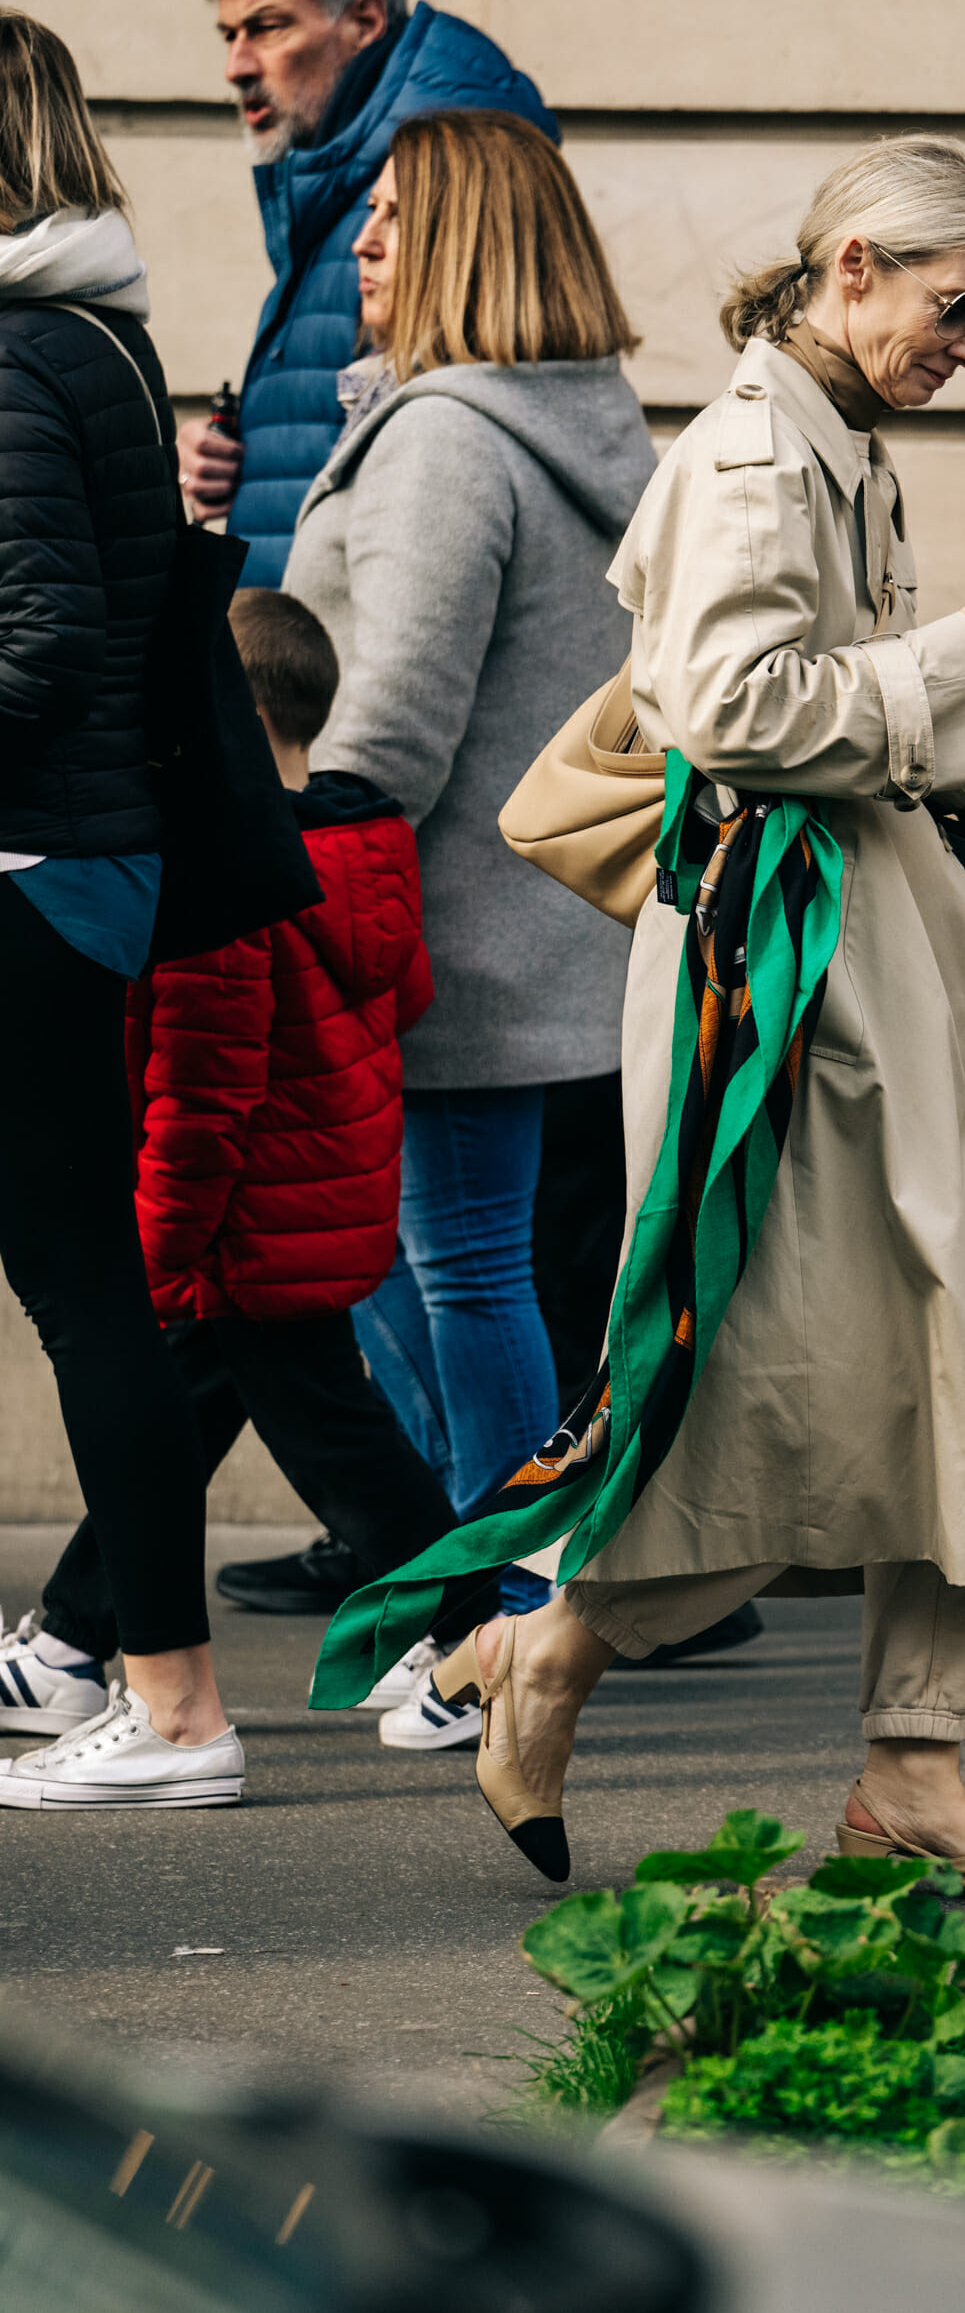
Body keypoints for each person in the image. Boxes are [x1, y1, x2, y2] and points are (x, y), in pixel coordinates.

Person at [343, 133, 965, 1897]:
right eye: (958, 311)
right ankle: (555, 1652)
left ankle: (899, 1763)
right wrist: (959, 664)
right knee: (784, 1377)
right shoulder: (759, 453)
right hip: (787, 985)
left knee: (947, 1367)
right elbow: (729, 709)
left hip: (855, 966)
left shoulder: (824, 437)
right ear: (850, 265)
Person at [283, 107, 660, 1712]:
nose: (357, 244)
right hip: (548, 926)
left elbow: (396, 718)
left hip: (437, 932)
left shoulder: (448, 436)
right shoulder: (583, 425)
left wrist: (291, 848)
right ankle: (503, 1592)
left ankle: (503, 1627)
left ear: (455, 241)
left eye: (384, 219)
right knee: (433, 1259)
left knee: (449, 1265)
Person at [0, 590, 500, 1747]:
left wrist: (156, 1250)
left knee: (338, 1437)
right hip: (322, 1190)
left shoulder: (222, 882)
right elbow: (401, 997)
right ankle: (77, 1637)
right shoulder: (362, 840)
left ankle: (484, 1641)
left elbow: (201, 1098)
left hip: (241, 1215)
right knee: (193, 1400)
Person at [0, 11, 238, 1809]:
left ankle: (168, 1713)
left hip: (28, 870)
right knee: (92, 1283)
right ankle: (152, 1694)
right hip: (75, 864)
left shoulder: (19, 356)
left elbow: (44, 641)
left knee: (90, 1291)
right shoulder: (96, 338)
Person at [176, 0, 556, 585]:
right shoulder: (335, 178)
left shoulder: (440, 183)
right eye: (229, 35)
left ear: (365, 21)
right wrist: (240, 456)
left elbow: (456, 455)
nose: (236, 64)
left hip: (342, 657)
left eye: (267, 28)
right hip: (293, 648)